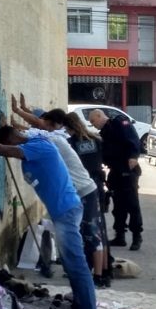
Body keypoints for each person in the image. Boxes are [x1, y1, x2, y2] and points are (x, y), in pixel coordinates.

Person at [0, 99, 100, 309]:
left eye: (10, 144)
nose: (13, 153)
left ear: (15, 139)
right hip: (64, 210)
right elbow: (2, 137)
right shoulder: (28, 139)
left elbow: (2, 147)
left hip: (66, 211)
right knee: (72, 264)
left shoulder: (38, 146)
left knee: (76, 265)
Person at [10, 96, 105, 287]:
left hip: (84, 191)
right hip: (82, 190)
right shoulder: (61, 137)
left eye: (45, 123)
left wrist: (18, 116)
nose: (41, 126)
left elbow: (34, 127)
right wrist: (21, 113)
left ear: (54, 125)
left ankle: (98, 276)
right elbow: (36, 124)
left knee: (91, 233)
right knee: (83, 233)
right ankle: (86, 272)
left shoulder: (56, 139)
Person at [63, 112, 112, 288]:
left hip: (84, 188)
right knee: (101, 230)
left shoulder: (71, 144)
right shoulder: (96, 140)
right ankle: (106, 271)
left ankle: (95, 272)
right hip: (98, 185)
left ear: (68, 128)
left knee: (89, 232)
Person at [88, 109, 144, 251]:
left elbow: (133, 138)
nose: (93, 125)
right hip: (115, 171)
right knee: (118, 205)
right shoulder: (104, 133)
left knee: (132, 204)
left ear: (100, 116)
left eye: (93, 121)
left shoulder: (119, 122)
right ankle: (120, 236)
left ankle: (137, 236)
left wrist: (133, 156)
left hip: (127, 169)